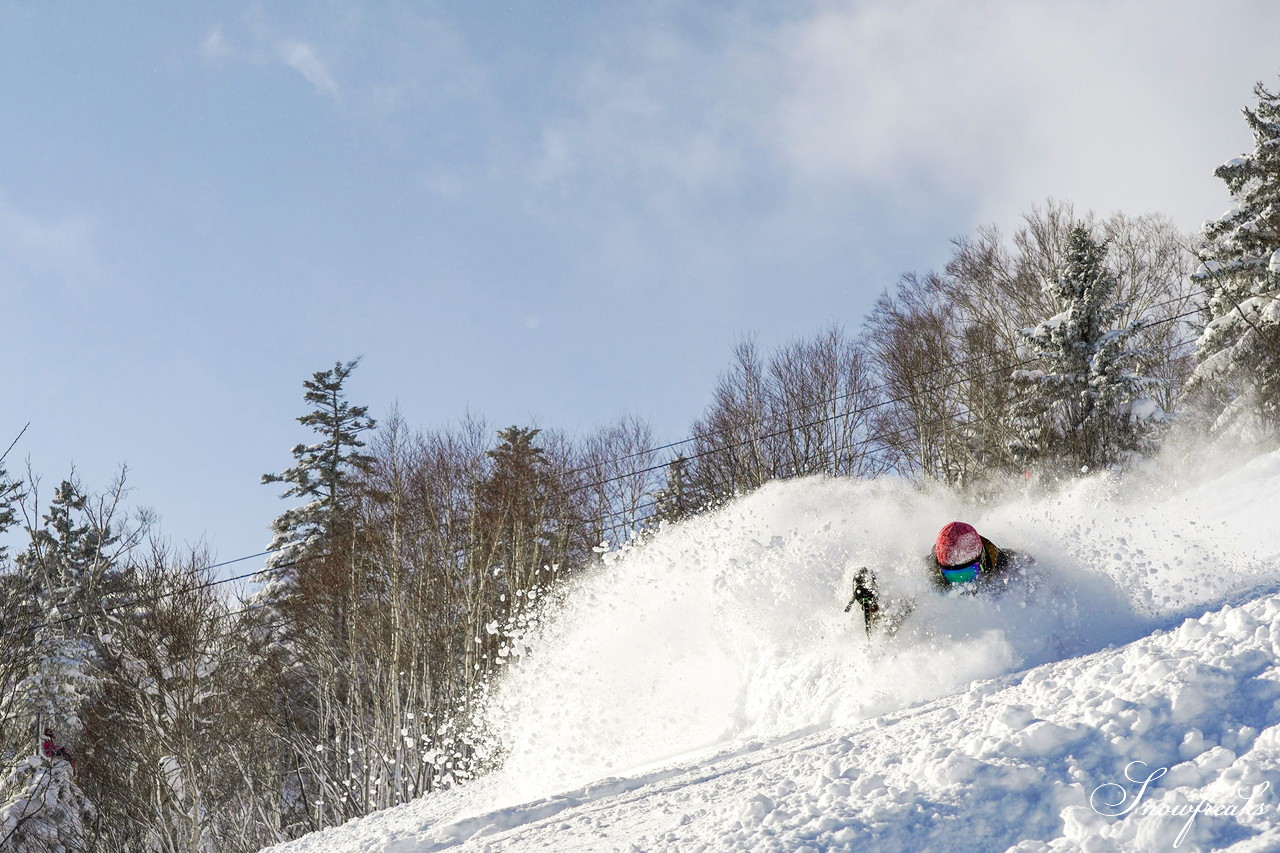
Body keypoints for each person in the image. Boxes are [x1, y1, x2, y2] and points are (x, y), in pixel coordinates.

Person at [846, 521, 1026, 634]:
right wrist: (874, 602)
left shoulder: (1009, 565)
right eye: (953, 575)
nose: (961, 584)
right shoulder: (927, 577)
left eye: (967, 574)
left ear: (983, 560)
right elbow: (892, 621)